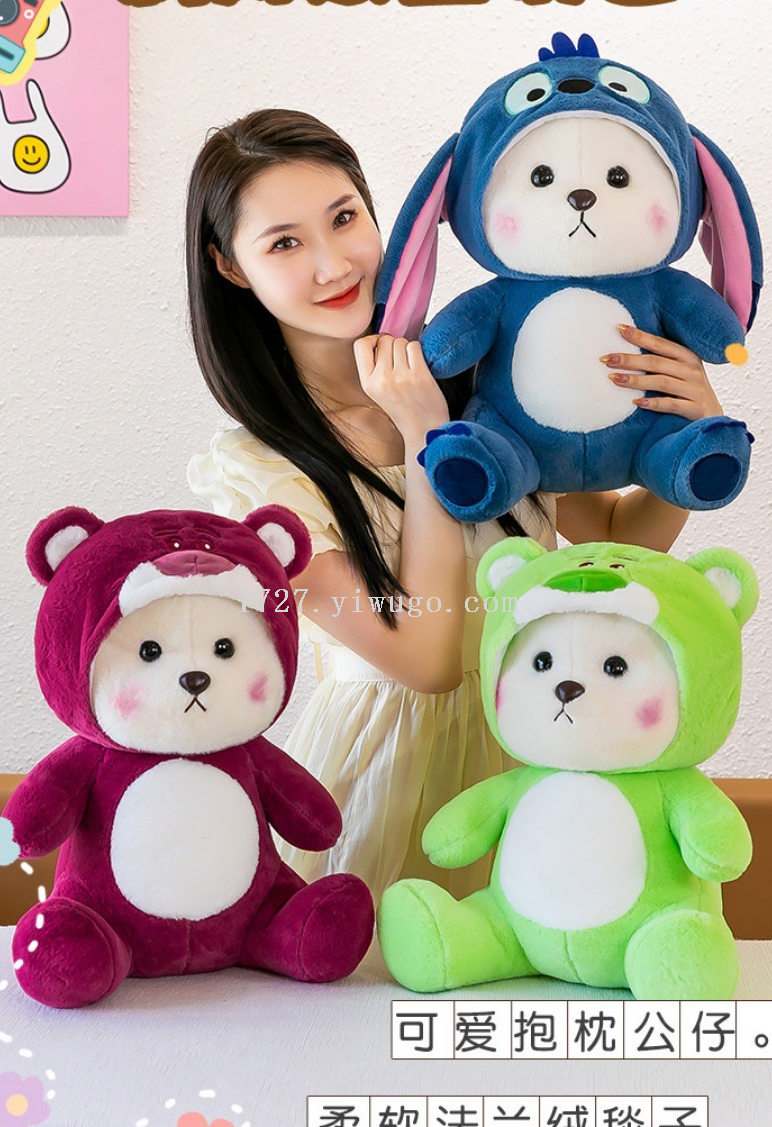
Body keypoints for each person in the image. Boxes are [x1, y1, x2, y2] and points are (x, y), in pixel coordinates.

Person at [186, 110, 724, 900]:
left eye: (345, 218)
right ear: (230, 267)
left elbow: (614, 541)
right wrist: (424, 436)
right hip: (388, 783)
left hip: (540, 748)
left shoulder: (487, 377)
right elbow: (429, 661)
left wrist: (692, 437)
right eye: (285, 243)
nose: (333, 263)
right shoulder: (261, 474)